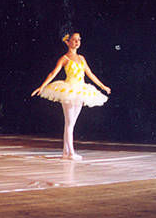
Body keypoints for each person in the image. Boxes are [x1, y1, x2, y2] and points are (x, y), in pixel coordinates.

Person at [31, 32, 110, 160]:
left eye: (79, 39)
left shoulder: (82, 58)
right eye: (74, 40)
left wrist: (103, 86)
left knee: (71, 124)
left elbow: (90, 74)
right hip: (68, 90)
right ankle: (71, 153)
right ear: (67, 42)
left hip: (81, 90)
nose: (77, 42)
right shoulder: (64, 58)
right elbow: (53, 73)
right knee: (69, 123)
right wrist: (42, 86)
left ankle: (65, 152)